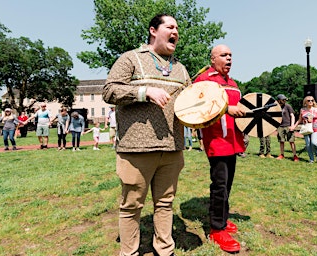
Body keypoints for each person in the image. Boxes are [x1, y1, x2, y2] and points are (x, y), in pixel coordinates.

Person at [102, 14, 190, 256]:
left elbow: (190, 104)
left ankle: (165, 249)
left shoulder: (181, 69)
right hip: (136, 150)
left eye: (177, 28)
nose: (176, 32)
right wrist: (144, 91)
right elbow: (109, 91)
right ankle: (129, 252)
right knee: (131, 206)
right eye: (170, 27)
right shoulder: (131, 58)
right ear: (153, 30)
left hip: (172, 148)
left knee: (165, 204)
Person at [194, 44, 245, 253]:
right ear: (213, 59)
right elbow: (198, 105)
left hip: (233, 140)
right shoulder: (204, 79)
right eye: (224, 55)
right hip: (216, 140)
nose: (229, 58)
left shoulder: (232, 82)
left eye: (231, 55)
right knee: (220, 185)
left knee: (227, 183)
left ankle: (222, 218)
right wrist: (227, 108)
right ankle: (216, 229)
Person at [293, 96, 317, 163]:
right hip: (306, 129)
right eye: (308, 100)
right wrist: (294, 126)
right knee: (308, 144)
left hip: (315, 128)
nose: (310, 102)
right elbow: (299, 120)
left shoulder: (316, 109)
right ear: (305, 102)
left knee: (314, 143)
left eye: (312, 100)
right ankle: (311, 159)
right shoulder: (302, 110)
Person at [276, 94, 298, 161]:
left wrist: (292, 126)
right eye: (283, 99)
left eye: (285, 99)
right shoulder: (276, 107)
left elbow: (292, 116)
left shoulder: (288, 106)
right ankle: (282, 154)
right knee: (281, 141)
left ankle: (295, 155)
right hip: (280, 126)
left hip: (288, 126)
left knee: (291, 141)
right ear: (279, 100)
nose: (284, 100)